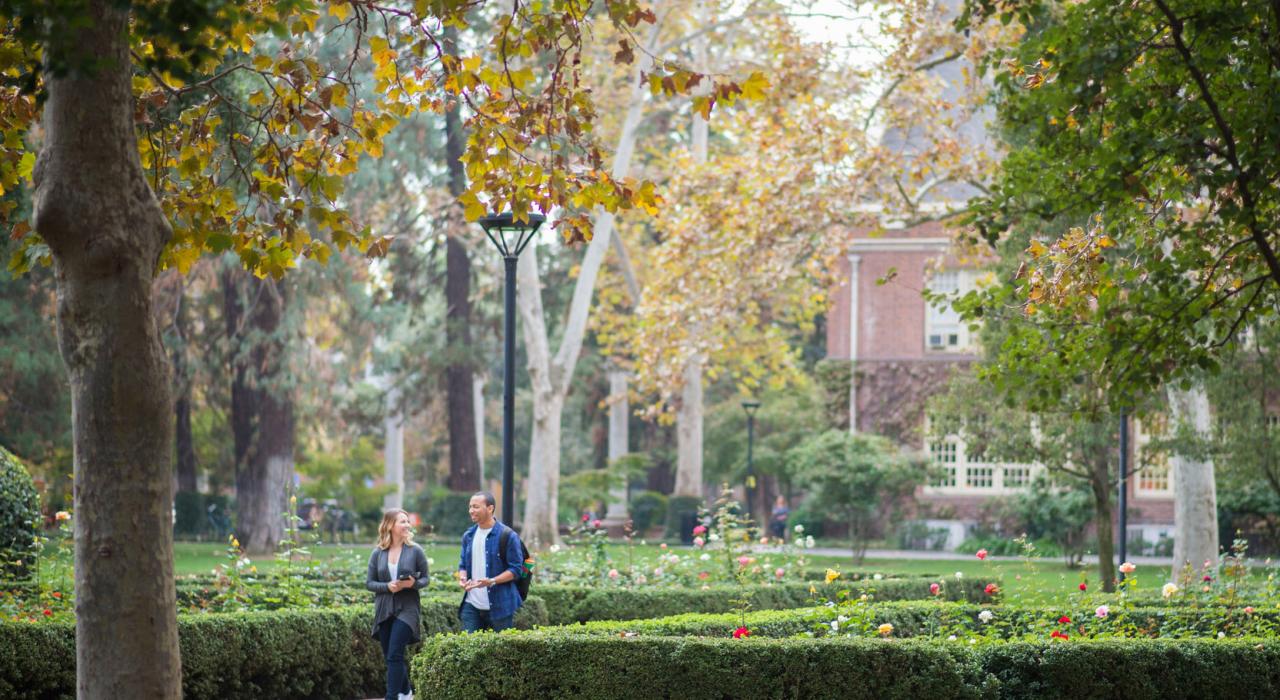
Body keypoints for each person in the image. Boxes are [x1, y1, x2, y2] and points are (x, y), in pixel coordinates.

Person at [366, 508, 429, 700]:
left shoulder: (415, 550)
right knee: (390, 656)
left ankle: (391, 697)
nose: (407, 525)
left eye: (408, 521)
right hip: (384, 608)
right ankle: (407, 692)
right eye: (403, 521)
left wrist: (413, 584)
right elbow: (369, 583)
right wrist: (387, 586)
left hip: (408, 608)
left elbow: (426, 579)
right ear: (390, 525)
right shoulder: (378, 553)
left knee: (394, 654)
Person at [457, 491, 526, 632]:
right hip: (472, 605)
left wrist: (492, 581)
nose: (471, 511)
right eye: (470, 507)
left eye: (476, 507)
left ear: (490, 508)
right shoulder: (468, 535)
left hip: (501, 605)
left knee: (501, 651)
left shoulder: (508, 535)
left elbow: (516, 570)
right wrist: (463, 578)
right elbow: (463, 564)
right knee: (469, 651)